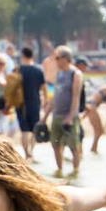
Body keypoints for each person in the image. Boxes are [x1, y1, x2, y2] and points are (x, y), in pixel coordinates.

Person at [42, 46, 86, 177]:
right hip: (57, 115)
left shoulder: (76, 74)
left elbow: (76, 97)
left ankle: (75, 171)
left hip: (70, 116)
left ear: (66, 59)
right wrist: (45, 117)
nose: (55, 61)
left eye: (57, 58)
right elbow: (54, 97)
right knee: (55, 145)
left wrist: (71, 116)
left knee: (74, 146)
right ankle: (59, 171)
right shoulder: (59, 74)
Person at [12, 48, 46, 159]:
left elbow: (10, 88)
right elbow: (43, 88)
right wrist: (46, 101)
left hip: (20, 104)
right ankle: (32, 152)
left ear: (23, 56)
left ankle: (26, 153)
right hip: (35, 102)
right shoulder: (38, 70)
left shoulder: (17, 70)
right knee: (34, 129)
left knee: (24, 130)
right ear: (32, 56)